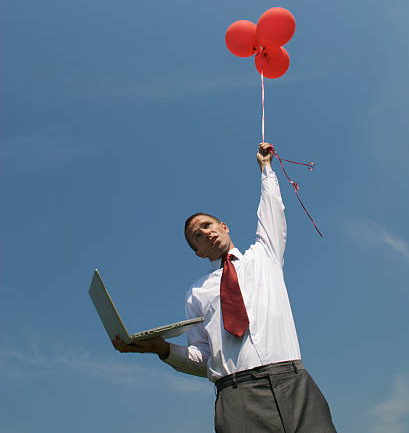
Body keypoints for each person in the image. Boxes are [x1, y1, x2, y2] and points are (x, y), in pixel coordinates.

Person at [113, 143, 337, 432]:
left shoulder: (264, 254)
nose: (206, 232)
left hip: (292, 380)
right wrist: (163, 349)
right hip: (236, 392)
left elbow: (272, 211)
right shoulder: (197, 292)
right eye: (198, 235)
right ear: (198, 252)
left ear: (224, 227)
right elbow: (203, 358)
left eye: (208, 225)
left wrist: (265, 169)